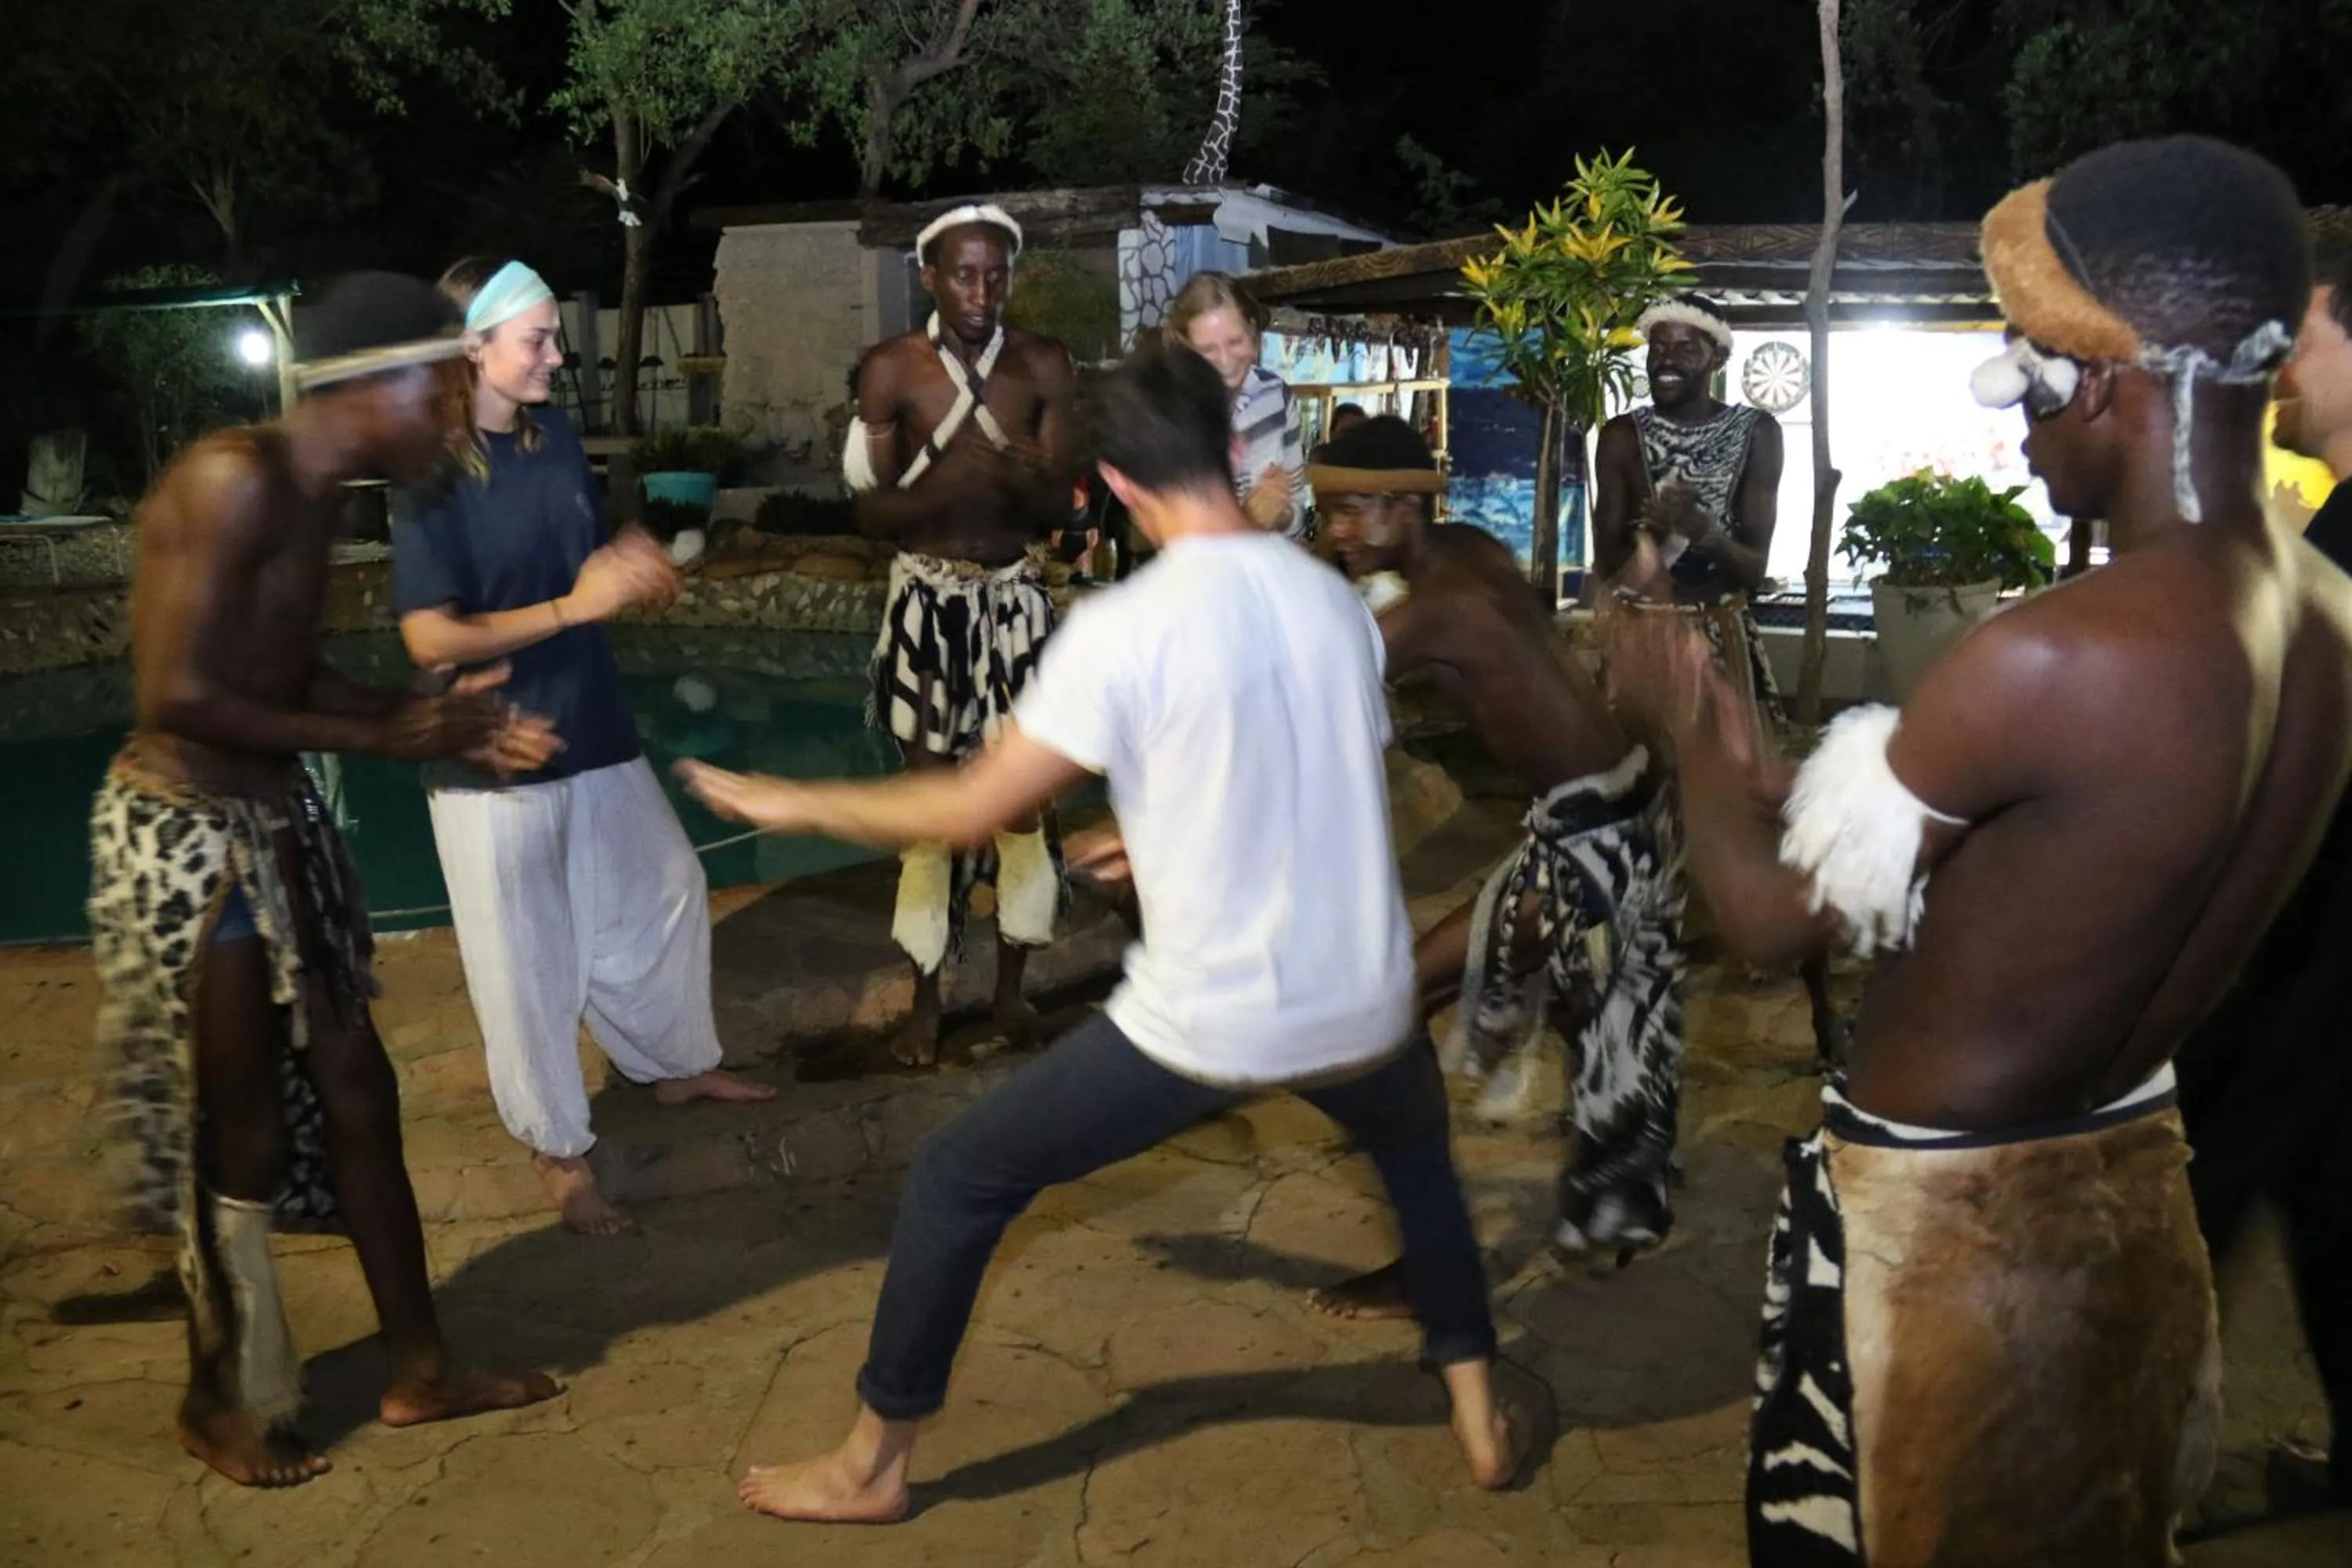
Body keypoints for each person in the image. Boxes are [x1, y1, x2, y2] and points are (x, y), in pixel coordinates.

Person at [1604, 136, 2351, 1564]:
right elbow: (2060, 849)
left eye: (2024, 374)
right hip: (2125, 1197)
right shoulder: (2323, 616)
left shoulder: (2061, 650)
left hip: (1942, 1245)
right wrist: (1784, 778)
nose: (2018, 428)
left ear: (2104, 384)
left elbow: (1766, 923)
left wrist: (1684, 726)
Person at [678, 344, 1525, 1524]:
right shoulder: (1333, 600)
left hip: (1213, 1020)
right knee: (1417, 1156)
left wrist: (794, 801)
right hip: (1364, 998)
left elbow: (969, 809)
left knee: (958, 1176)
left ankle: (872, 1464)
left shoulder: (1124, 629)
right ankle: (1477, 1405)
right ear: (1229, 450)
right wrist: (1156, 829)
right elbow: (1305, 762)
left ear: (1114, 485)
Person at [87, 273, 563, 1488]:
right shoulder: (235, 481)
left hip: (271, 819)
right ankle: (224, 1397)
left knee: (361, 1090)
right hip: (192, 836)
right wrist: (386, 739)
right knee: (240, 1122)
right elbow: (178, 695)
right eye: (442, 393)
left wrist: (416, 717)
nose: (452, 421)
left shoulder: (309, 496)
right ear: (374, 386)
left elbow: (284, 672)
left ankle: (422, 1366)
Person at [391, 257, 775, 1237]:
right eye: (538, 340)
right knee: (527, 963)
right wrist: (574, 604)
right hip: (493, 750)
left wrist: (625, 560)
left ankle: (672, 1063)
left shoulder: (553, 434)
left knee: (668, 885)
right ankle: (558, 1148)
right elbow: (429, 637)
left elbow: (580, 556)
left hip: (591, 718)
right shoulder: (428, 472)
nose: (558, 356)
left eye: (556, 336)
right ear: (471, 346)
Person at [1304, 416, 1686, 1325]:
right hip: (1621, 817)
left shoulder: (1435, 608)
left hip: (1592, 845)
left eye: (1353, 513)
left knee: (1394, 1004)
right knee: (1582, 1010)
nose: (1338, 533)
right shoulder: (1468, 548)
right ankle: (1619, 1190)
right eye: (1330, 514)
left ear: (1404, 507)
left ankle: (1434, 1259)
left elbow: (1309, 686)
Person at [2176, 241, 2352, 1514]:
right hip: (2314, 956)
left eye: (2312, 340)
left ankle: (2127, 1484)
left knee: (2203, 1195)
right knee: (2325, 1203)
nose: (2285, 368)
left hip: (2308, 956)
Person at [847, 203, 1080, 1067]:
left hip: (1017, 603)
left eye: (996, 275)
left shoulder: (1045, 365)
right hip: (927, 603)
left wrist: (1028, 477)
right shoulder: (890, 369)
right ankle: (926, 1002)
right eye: (965, 275)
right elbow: (871, 515)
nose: (982, 293)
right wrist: (944, 486)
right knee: (933, 810)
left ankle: (1011, 993)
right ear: (930, 278)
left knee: (1023, 805)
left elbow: (1062, 510)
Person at [1593, 293, 1843, 1067]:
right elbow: (1605, 559)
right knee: (1625, 816)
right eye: (1656, 346)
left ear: (1717, 358)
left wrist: (1699, 529)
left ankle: (1822, 1006)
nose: (1665, 359)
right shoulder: (1622, 436)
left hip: (1719, 637)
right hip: (1642, 643)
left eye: (1684, 347)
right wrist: (1646, 532)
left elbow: (1756, 568)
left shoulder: (1756, 433)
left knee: (1755, 811)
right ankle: (1623, 1003)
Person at [1171, 270, 1306, 542]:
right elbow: (1174, 537)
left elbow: (1298, 508)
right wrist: (1247, 519)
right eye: (1207, 350)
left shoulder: (1276, 395)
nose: (1225, 361)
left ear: (1254, 337)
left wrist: (1283, 515)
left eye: (1235, 342)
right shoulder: (1170, 414)